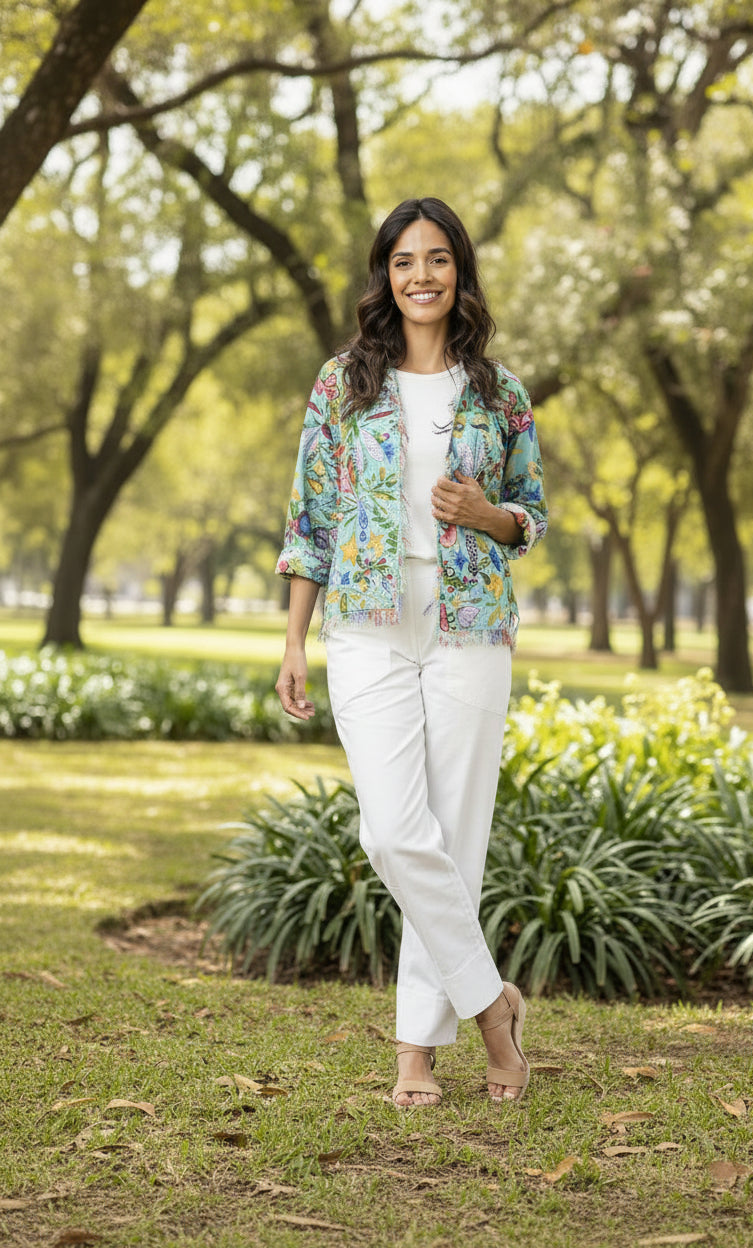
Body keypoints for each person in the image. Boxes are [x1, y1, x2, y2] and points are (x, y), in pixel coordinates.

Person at [275, 197, 547, 1107]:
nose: (421, 276)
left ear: (459, 272)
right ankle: (491, 1005)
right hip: (365, 627)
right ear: (384, 277)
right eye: (403, 261)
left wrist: (489, 516)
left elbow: (531, 513)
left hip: (470, 627)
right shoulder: (343, 383)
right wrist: (293, 643)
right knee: (394, 830)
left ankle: (414, 1055)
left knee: (454, 838)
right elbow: (309, 522)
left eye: (437, 260)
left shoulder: (499, 392)